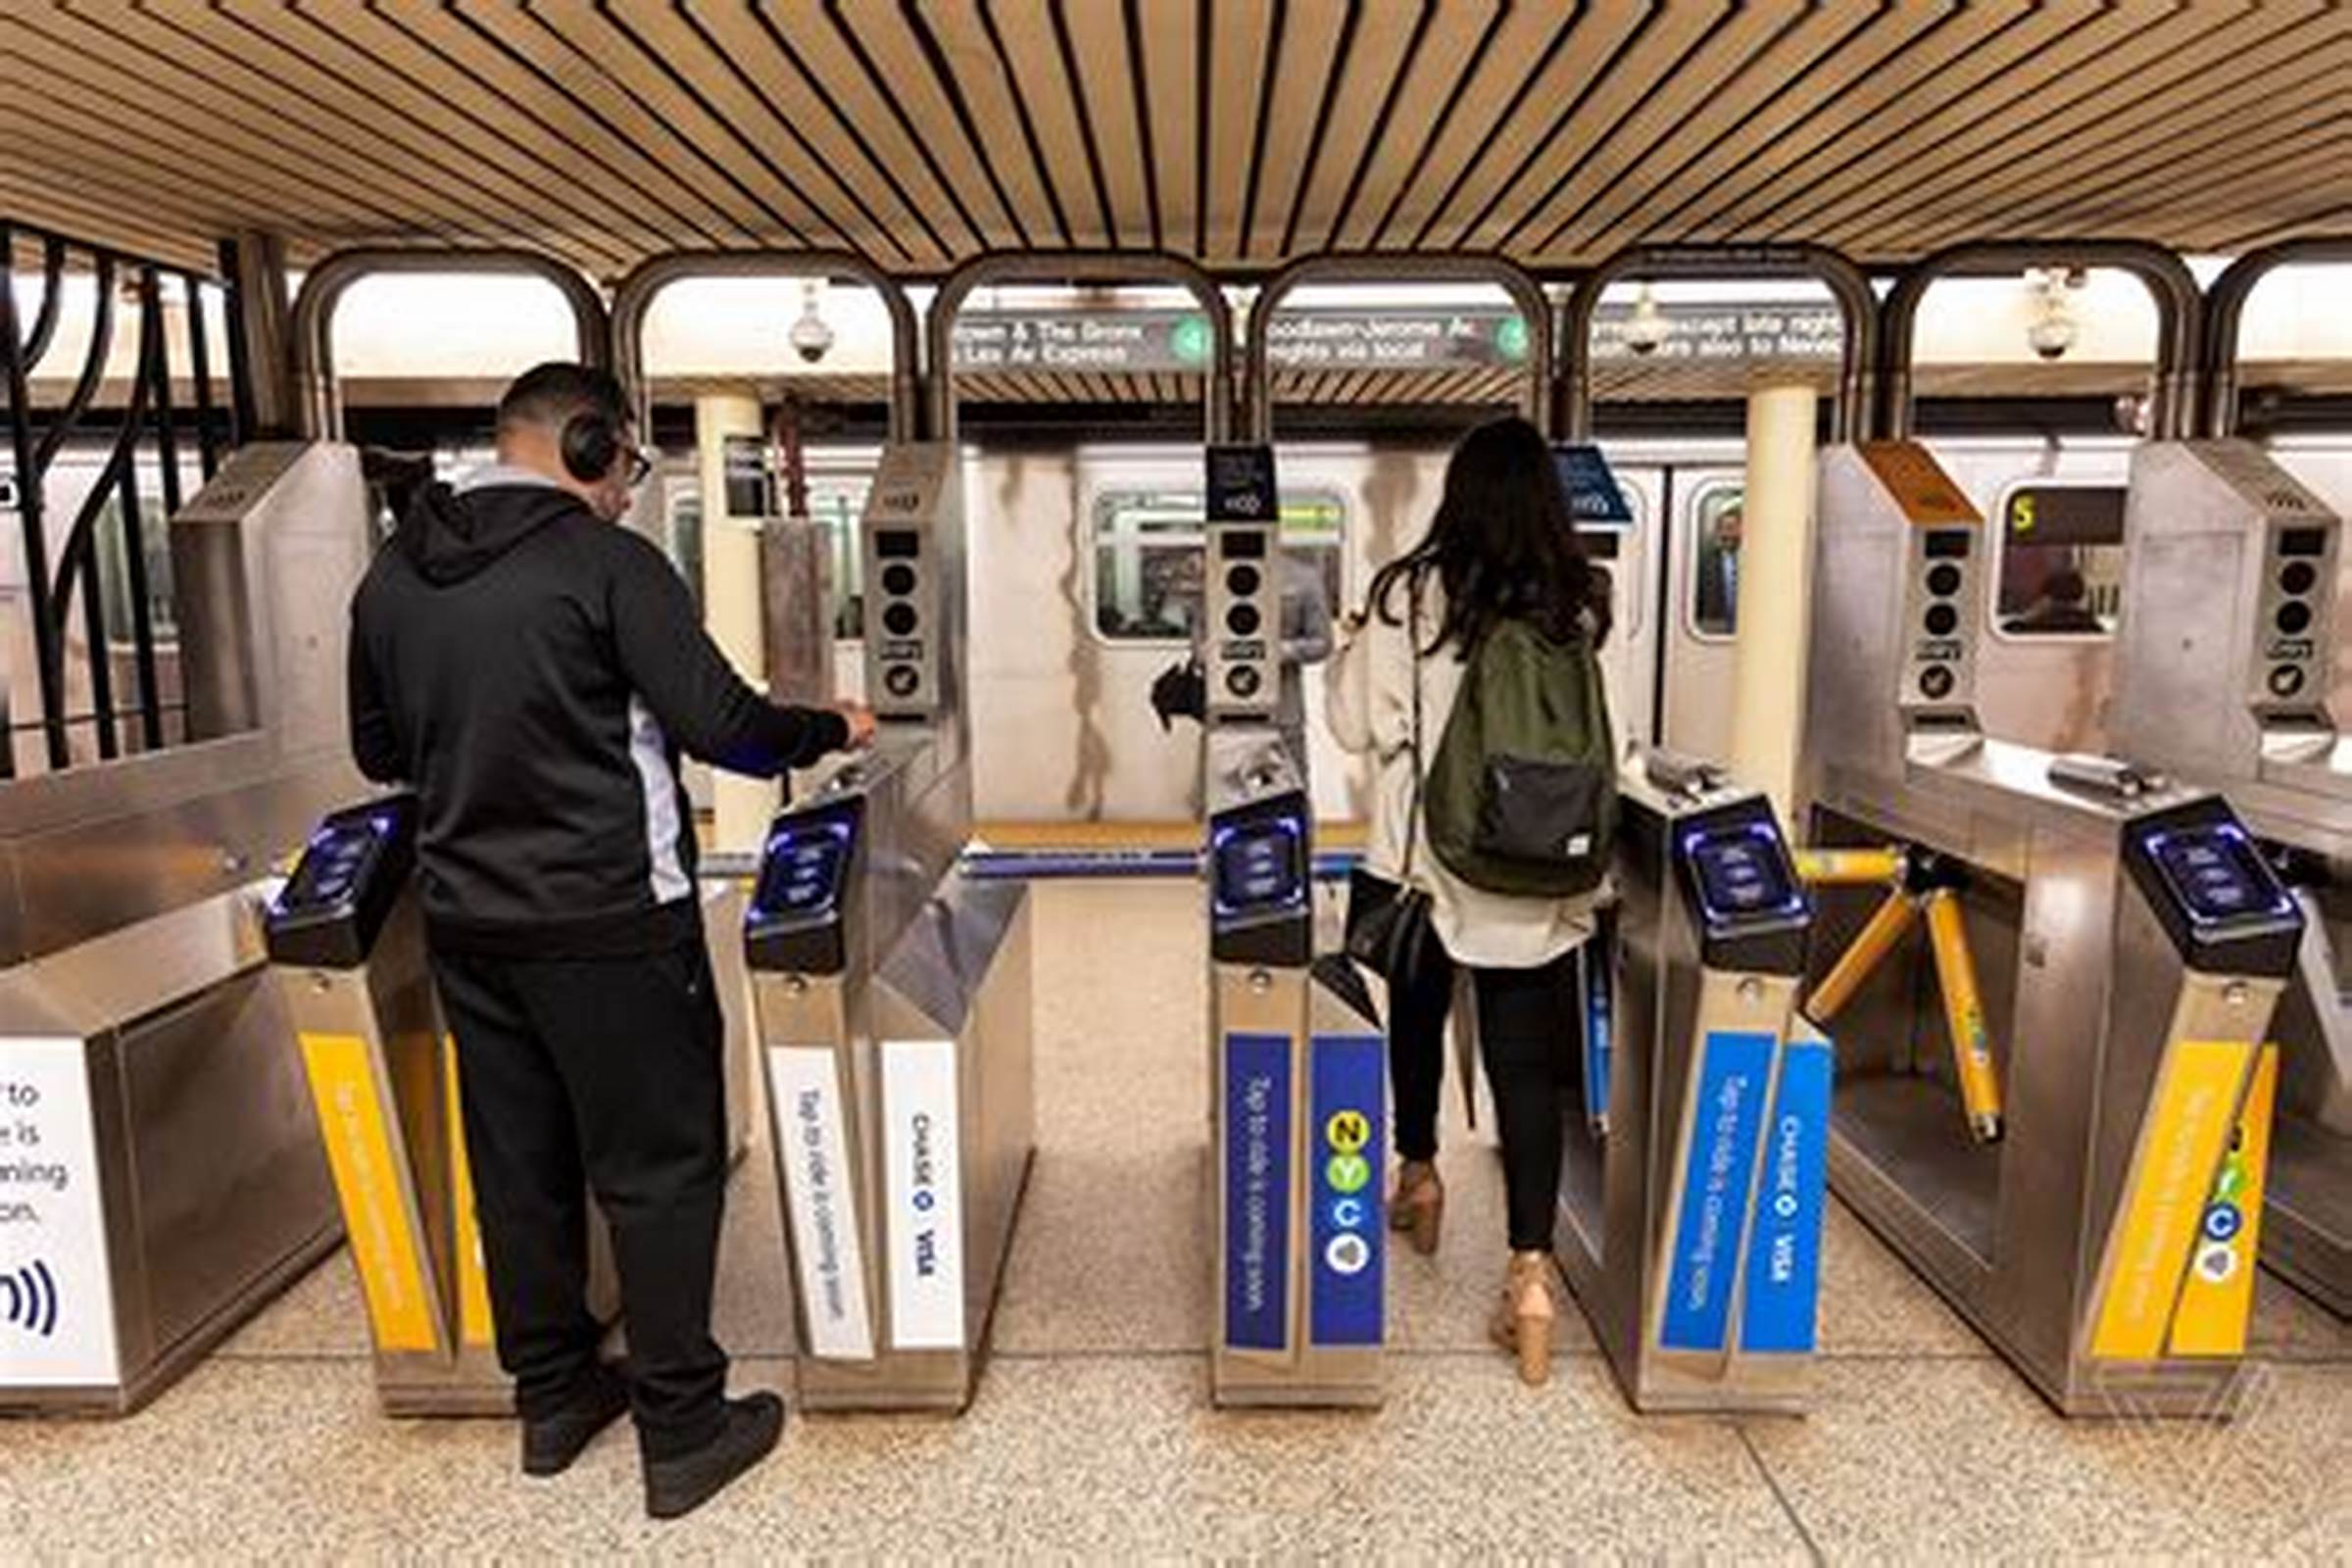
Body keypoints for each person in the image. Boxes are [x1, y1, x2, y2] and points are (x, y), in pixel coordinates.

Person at [347, 363, 874, 1520]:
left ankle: (553, 1397)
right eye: (628, 460)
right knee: (660, 1165)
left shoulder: (393, 574)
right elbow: (722, 727)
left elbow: (378, 750)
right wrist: (826, 727)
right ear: (585, 443)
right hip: (613, 922)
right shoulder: (607, 563)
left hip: (468, 926)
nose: (630, 486)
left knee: (518, 1164)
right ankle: (684, 1427)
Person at [1327, 416, 1611, 1388]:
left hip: (1425, 867)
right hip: (1535, 866)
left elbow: (1356, 726)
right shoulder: (1576, 600)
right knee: (1525, 1070)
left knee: (1415, 1019)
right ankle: (1529, 1277)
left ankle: (1419, 1176)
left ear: (1459, 495)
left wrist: (1351, 646)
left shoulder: (1408, 593)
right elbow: (1599, 734)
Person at [2003, 564, 2105, 635]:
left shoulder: (2032, 628)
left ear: (2047, 597)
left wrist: (2028, 617)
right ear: (2080, 595)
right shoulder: (2092, 629)